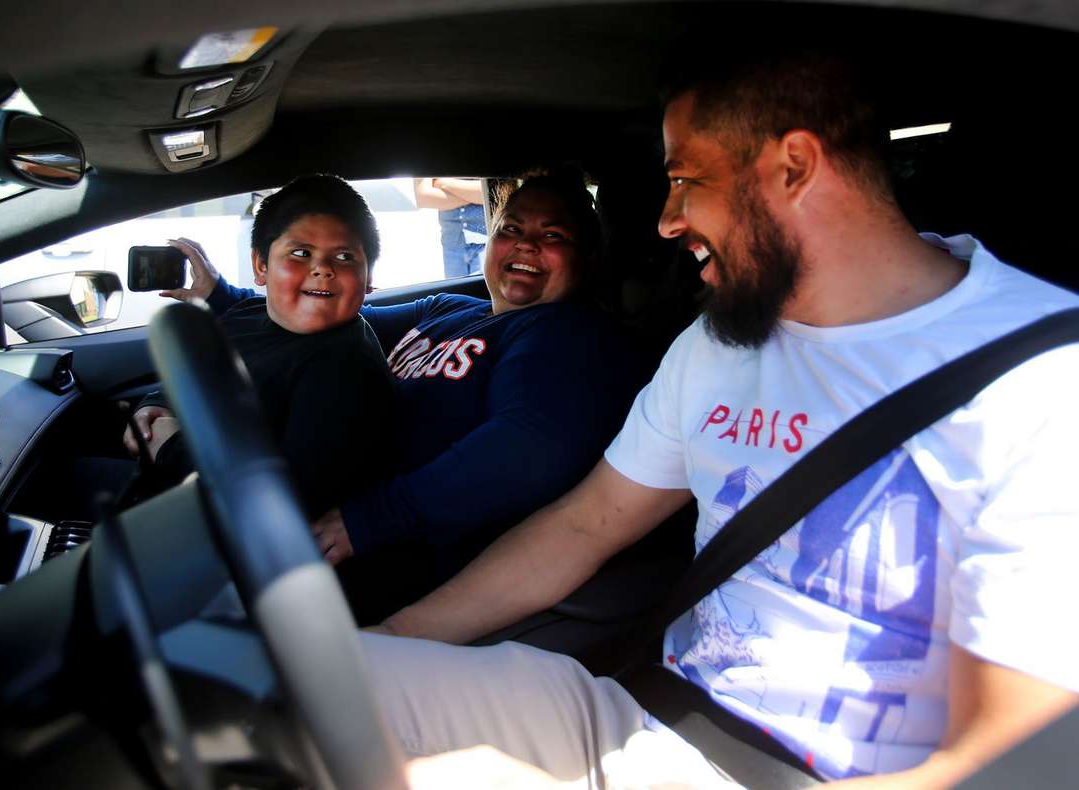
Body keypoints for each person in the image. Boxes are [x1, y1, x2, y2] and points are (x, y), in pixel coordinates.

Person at [360, 49, 1079, 788]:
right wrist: (391, 637)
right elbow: (585, 525)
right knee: (307, 684)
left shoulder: (1045, 379)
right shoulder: (717, 343)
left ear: (794, 166)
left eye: (682, 181)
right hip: (643, 719)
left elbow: (1012, 758)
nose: (666, 222)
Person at [166, 169, 651, 620]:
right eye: (511, 228)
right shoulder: (450, 309)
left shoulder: (569, 335)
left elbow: (526, 447)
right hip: (318, 501)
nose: (525, 245)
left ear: (586, 259)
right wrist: (222, 295)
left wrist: (372, 519)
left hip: (398, 558)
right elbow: (332, 310)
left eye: (553, 236)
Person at [122, 174, 394, 520]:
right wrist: (155, 405)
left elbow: (284, 500)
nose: (323, 270)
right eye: (301, 253)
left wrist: (169, 446)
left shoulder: (346, 368)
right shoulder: (247, 314)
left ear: (369, 277)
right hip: (174, 495)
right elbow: (197, 373)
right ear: (261, 266)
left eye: (344, 257)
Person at [414, 177, 488, 276]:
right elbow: (423, 198)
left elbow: (489, 191)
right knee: (454, 289)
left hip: (485, 243)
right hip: (451, 245)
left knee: (482, 289)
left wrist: (443, 183)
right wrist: (472, 195)